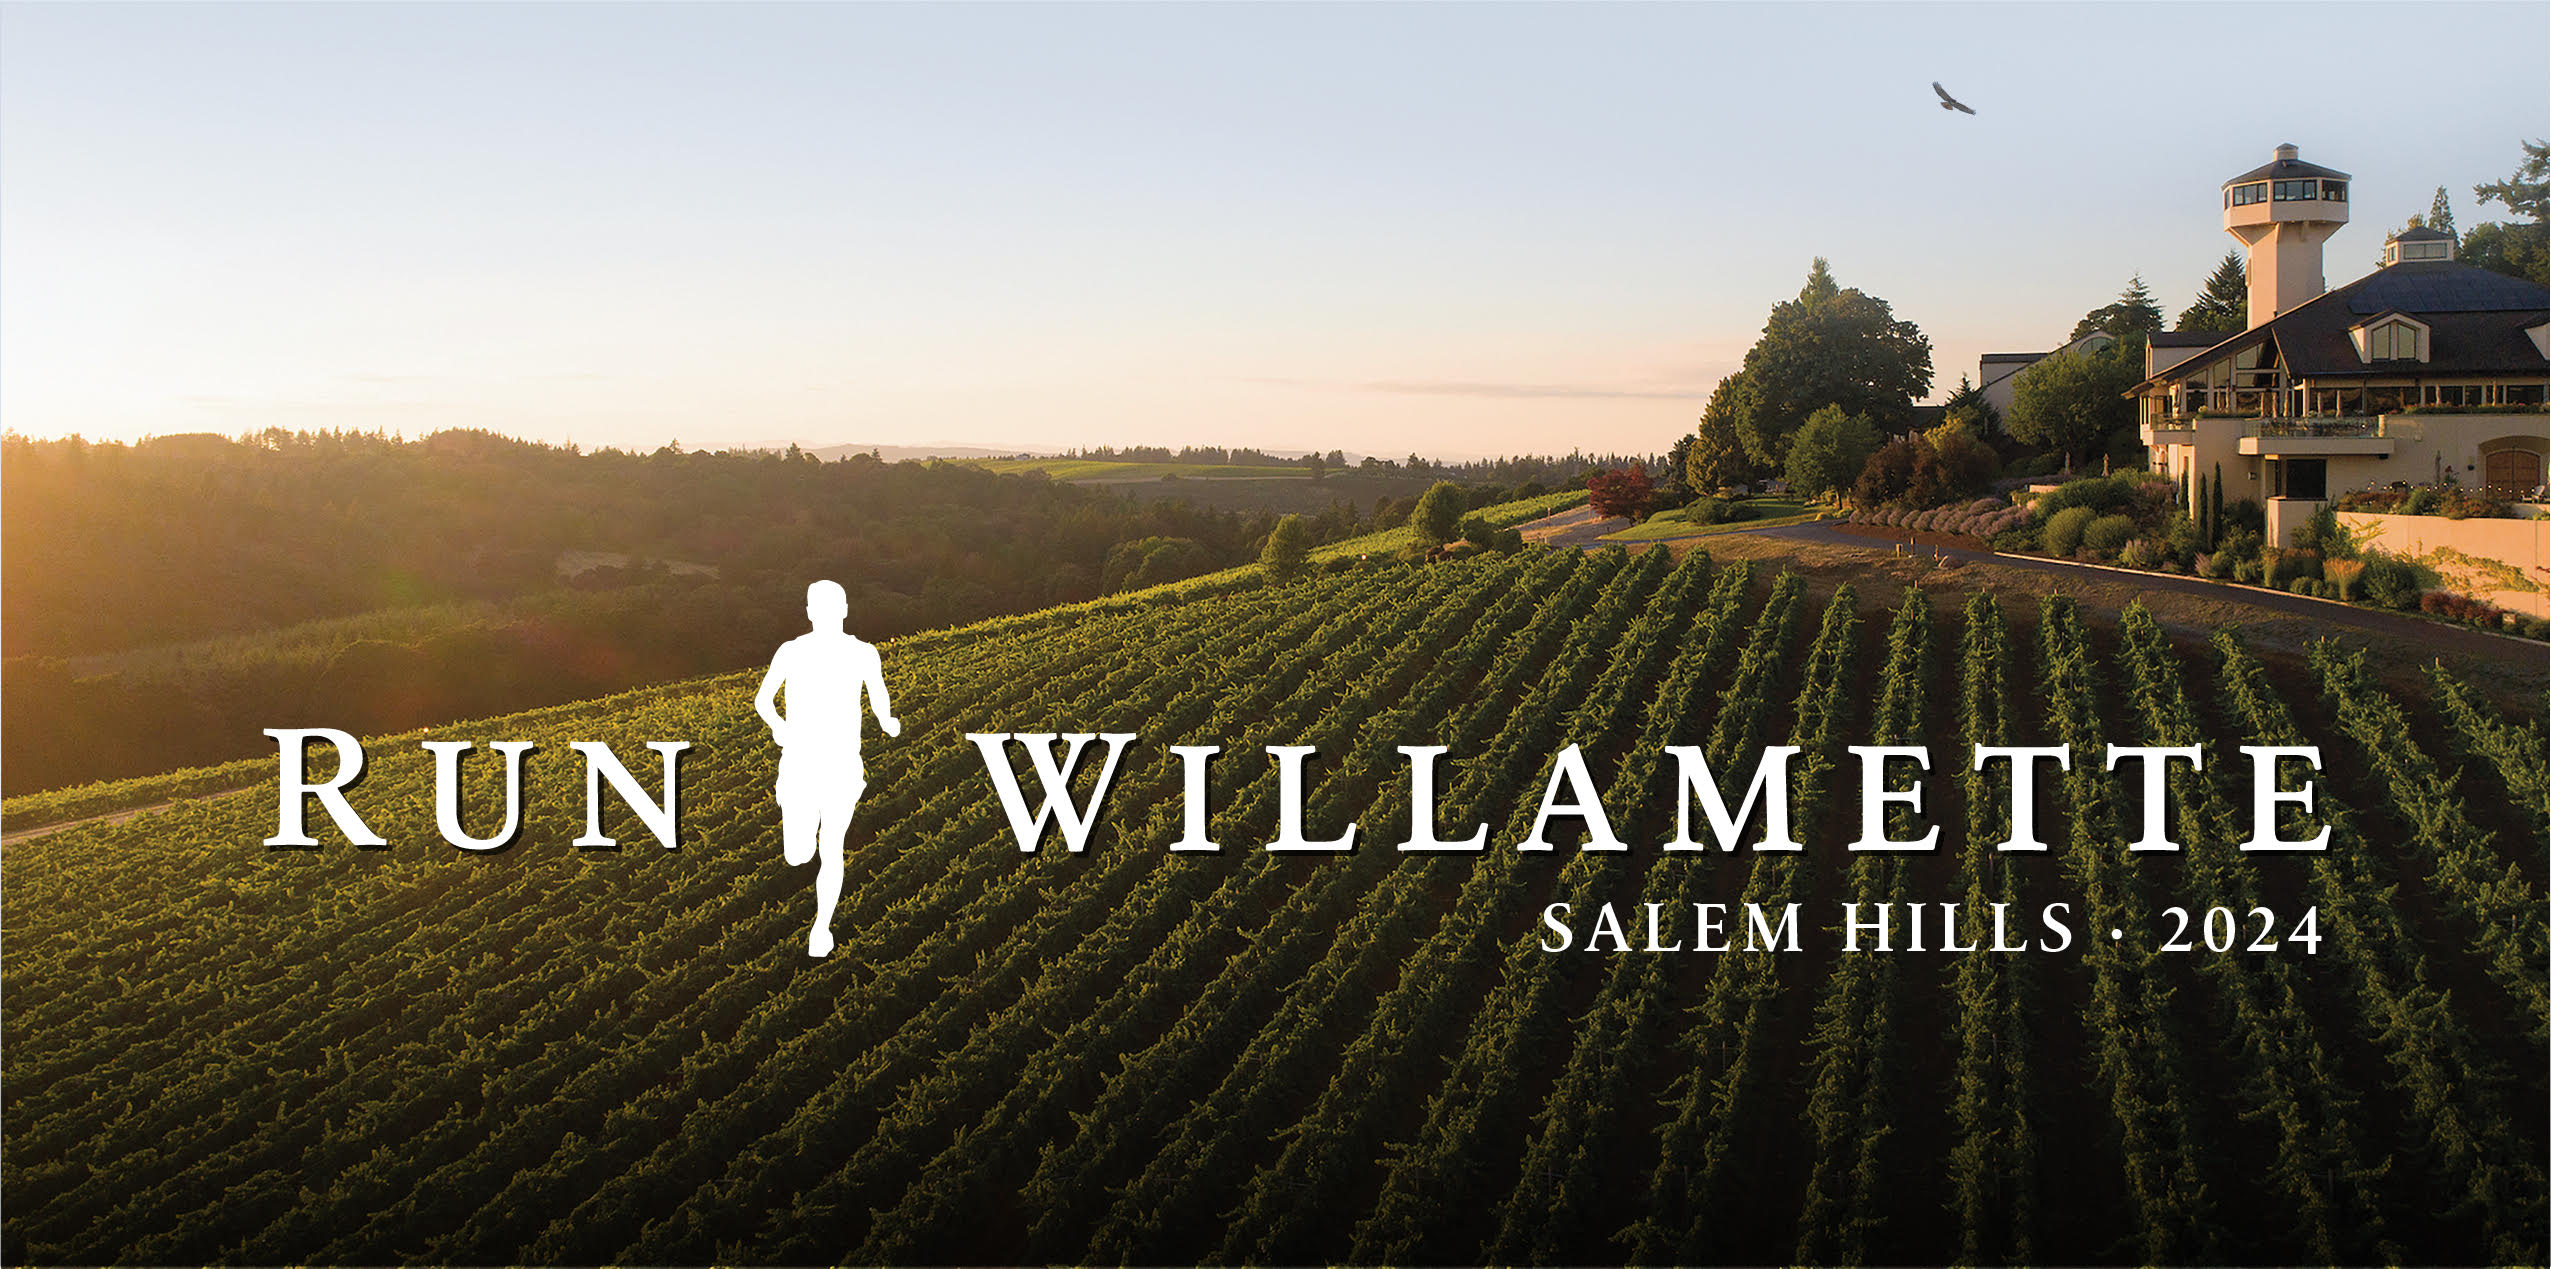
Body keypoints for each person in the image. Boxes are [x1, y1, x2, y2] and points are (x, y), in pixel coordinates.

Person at [755, 580, 898, 957]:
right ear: (811, 613)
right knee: (798, 854)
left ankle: (822, 928)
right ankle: (800, 850)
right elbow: (763, 700)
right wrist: (779, 727)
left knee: (832, 846)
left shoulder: (864, 654)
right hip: (801, 762)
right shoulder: (791, 652)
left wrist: (886, 719)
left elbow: (878, 691)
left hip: (842, 763)